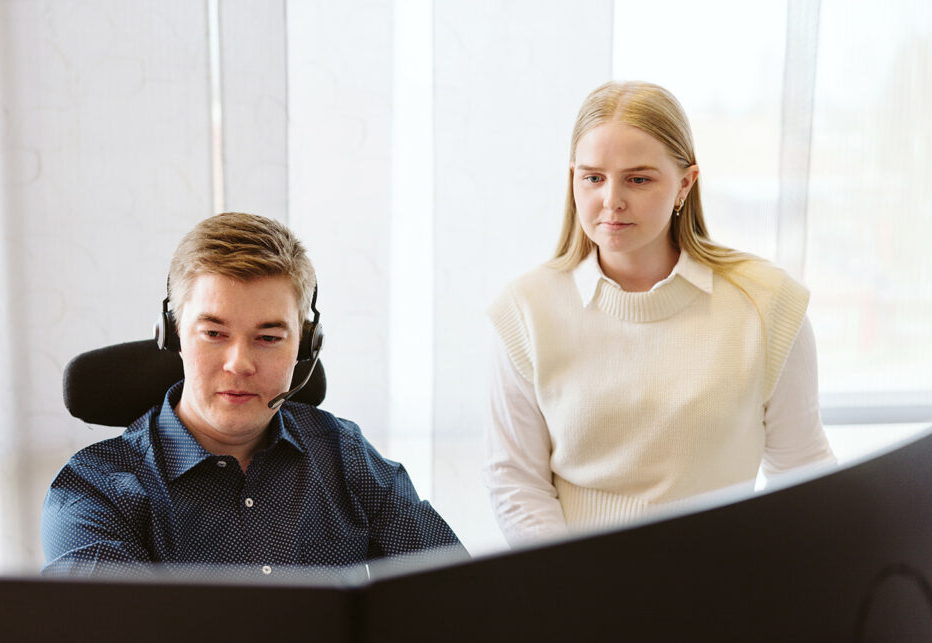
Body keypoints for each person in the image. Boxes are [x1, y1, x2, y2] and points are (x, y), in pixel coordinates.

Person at [485, 81, 836, 548]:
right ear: (573, 179)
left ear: (685, 185)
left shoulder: (768, 305)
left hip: (725, 596)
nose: (611, 200)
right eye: (592, 177)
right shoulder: (525, 311)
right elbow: (516, 483)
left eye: (638, 178)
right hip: (575, 596)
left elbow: (804, 475)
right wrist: (570, 592)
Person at [42, 212, 464, 576]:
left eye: (268, 337)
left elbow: (456, 593)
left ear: (304, 346)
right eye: (213, 333)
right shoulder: (95, 493)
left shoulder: (344, 455)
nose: (239, 363)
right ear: (173, 336)